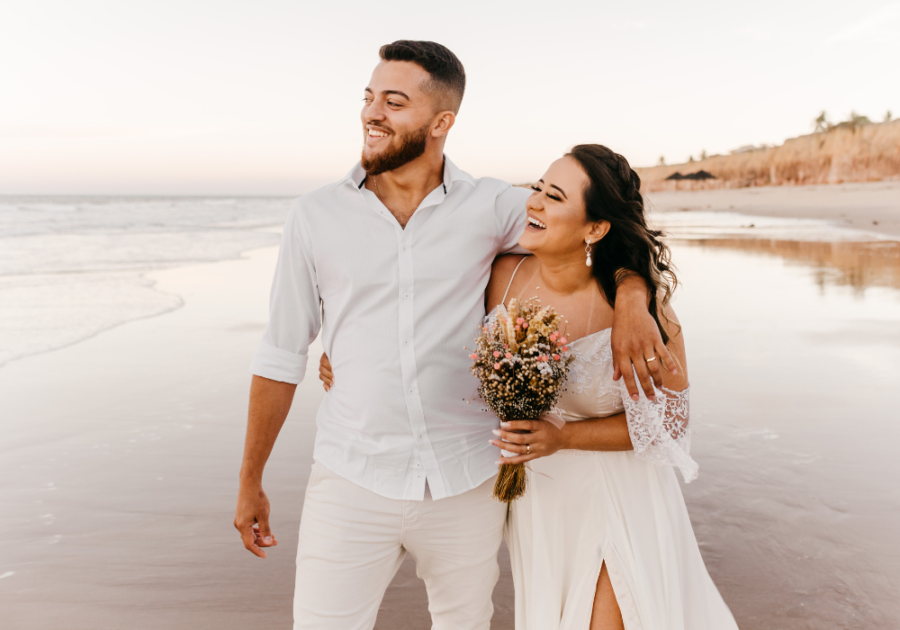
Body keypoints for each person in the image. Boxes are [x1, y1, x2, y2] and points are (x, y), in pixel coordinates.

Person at [234, 41, 671, 630]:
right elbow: (282, 351)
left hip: (466, 479)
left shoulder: (490, 205)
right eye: (369, 98)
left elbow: (592, 230)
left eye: (394, 101)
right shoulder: (314, 217)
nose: (372, 113)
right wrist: (250, 479)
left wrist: (633, 294)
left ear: (441, 122)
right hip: (350, 478)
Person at [484, 145, 738, 629]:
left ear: (595, 228)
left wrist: (563, 437)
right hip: (542, 502)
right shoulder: (501, 276)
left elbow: (671, 425)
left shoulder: (645, 317)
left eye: (553, 196)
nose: (533, 202)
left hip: (619, 497)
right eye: (537, 187)